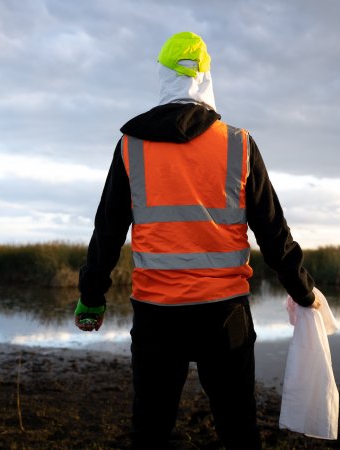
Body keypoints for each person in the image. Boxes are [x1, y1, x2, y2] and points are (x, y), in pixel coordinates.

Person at [75, 31, 318, 450]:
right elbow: (274, 232)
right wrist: (303, 291)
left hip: (156, 317)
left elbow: (108, 231)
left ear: (162, 76)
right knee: (239, 431)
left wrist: (92, 297)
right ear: (206, 77)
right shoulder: (239, 145)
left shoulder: (131, 147)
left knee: (150, 433)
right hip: (225, 318)